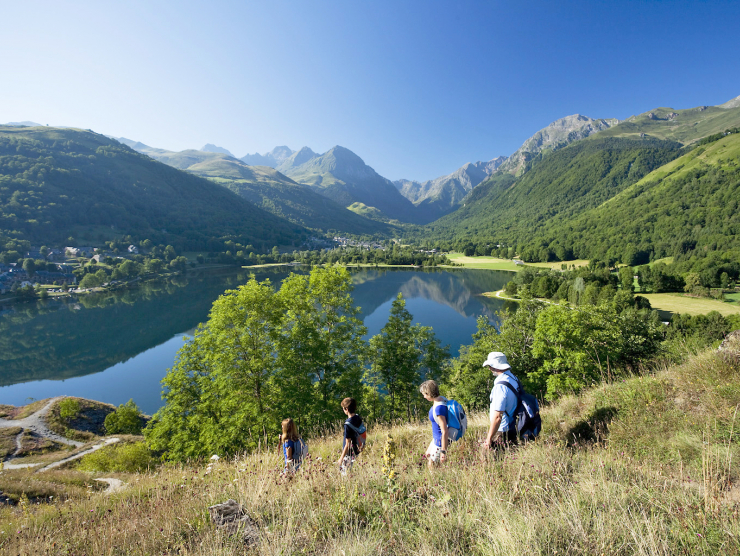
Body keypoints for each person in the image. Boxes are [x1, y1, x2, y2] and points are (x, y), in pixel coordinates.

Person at [481, 352, 520, 450]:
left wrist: (489, 438)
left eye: (490, 366)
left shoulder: (500, 386)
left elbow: (498, 416)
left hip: (502, 431)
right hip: (513, 427)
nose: (489, 368)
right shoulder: (513, 378)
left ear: (495, 366)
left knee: (491, 461)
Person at [419, 380, 448, 468]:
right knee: (428, 455)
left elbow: (444, 431)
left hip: (439, 441)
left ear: (429, 393)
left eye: (424, 394)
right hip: (436, 439)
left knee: (432, 468)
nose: (424, 396)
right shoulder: (442, 399)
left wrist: (443, 451)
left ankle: (436, 481)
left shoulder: (439, 408)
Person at [337, 397, 363, 473]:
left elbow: (348, 444)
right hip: (357, 451)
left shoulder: (347, 424)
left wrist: (341, 458)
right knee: (353, 472)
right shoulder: (358, 418)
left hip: (349, 454)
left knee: (345, 475)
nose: (343, 410)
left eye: (343, 408)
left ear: (347, 409)